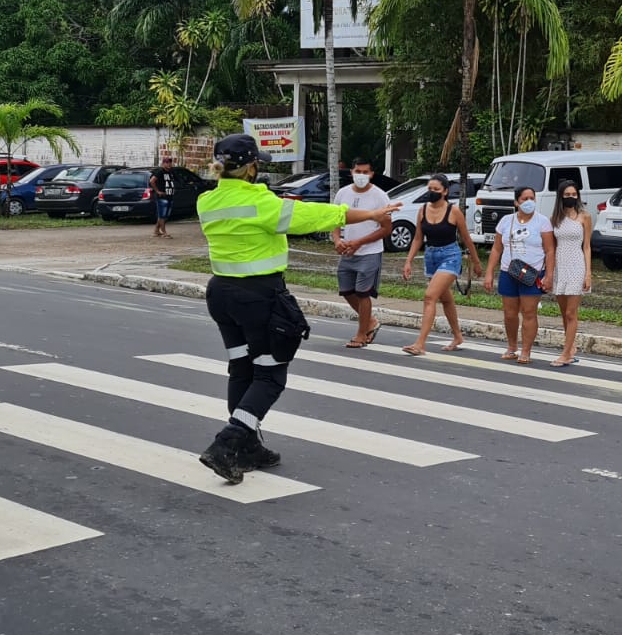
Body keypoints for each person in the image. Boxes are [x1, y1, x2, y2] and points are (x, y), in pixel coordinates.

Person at [196, 134, 400, 484]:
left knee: (242, 368)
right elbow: (312, 216)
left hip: (221, 294)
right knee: (271, 375)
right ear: (250, 168)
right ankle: (228, 443)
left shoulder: (206, 201)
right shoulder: (262, 204)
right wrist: (372, 213)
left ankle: (248, 446)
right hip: (258, 295)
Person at [400, 174, 483, 355]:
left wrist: (476, 262)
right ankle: (457, 336)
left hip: (450, 255)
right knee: (446, 299)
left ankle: (420, 344)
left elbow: (466, 239)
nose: (432, 193)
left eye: (436, 190)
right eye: (430, 189)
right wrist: (408, 261)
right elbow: (417, 238)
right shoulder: (422, 210)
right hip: (431, 256)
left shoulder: (453, 211)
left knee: (430, 296)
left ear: (445, 191)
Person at [482, 185, 555, 364]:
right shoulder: (506, 221)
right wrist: (489, 272)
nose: (529, 202)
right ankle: (512, 346)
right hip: (509, 271)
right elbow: (497, 248)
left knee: (529, 311)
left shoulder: (542, 222)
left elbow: (550, 250)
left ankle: (526, 350)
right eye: (525, 199)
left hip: (533, 273)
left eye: (532, 198)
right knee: (509, 312)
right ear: (516, 202)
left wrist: (549, 275)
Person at [333, 158, 392, 348]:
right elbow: (335, 220)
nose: (361, 175)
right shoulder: (342, 193)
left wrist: (360, 242)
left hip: (370, 252)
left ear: (372, 174)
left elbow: (386, 228)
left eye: (365, 172)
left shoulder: (380, 196)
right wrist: (337, 240)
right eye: (358, 171)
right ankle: (371, 322)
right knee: (347, 290)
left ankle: (361, 333)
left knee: (363, 293)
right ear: (351, 172)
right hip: (348, 252)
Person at [546, 179, 592, 367]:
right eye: (567, 195)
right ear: (561, 197)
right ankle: (570, 346)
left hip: (576, 264)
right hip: (560, 266)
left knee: (572, 312)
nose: (571, 198)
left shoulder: (584, 217)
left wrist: (588, 273)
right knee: (564, 312)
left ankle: (566, 354)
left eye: (574, 194)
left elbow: (587, 246)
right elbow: (552, 247)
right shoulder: (555, 218)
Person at [149, 156, 177, 238]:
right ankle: (164, 232)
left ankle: (156, 231)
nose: (169, 164)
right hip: (162, 196)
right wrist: (157, 191)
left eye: (170, 162)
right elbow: (152, 181)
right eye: (166, 162)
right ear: (163, 163)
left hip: (170, 196)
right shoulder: (160, 172)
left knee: (166, 215)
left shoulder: (171, 172)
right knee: (162, 215)